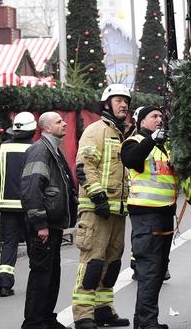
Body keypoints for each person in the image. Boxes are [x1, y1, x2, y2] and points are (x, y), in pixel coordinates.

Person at [72, 84, 132, 329]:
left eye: (126, 101)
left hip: (118, 210)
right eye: (118, 100)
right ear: (107, 103)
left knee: (112, 262)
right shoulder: (95, 130)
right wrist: (98, 198)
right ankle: (83, 314)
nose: (124, 105)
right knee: (92, 262)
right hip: (97, 209)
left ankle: (104, 309)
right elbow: (84, 166)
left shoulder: (124, 133)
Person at [121, 105, 178, 329]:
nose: (159, 120)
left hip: (165, 214)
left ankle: (146, 322)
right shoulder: (134, 142)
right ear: (142, 121)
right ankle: (146, 324)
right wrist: (151, 140)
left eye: (161, 117)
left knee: (158, 273)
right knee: (149, 271)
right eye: (154, 116)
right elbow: (132, 160)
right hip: (146, 215)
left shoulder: (164, 148)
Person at [20, 112, 78, 329]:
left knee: (52, 274)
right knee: (41, 275)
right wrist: (40, 224)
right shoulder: (39, 151)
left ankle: (46, 318)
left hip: (53, 225)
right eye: (58, 122)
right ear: (46, 128)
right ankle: (34, 323)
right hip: (43, 226)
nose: (64, 124)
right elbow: (31, 189)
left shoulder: (52, 150)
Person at [0, 111, 37, 297]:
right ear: (33, 129)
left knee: (9, 243)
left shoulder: (3, 148)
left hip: (7, 205)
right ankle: (36, 284)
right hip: (30, 206)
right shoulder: (36, 149)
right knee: (33, 245)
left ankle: (5, 284)